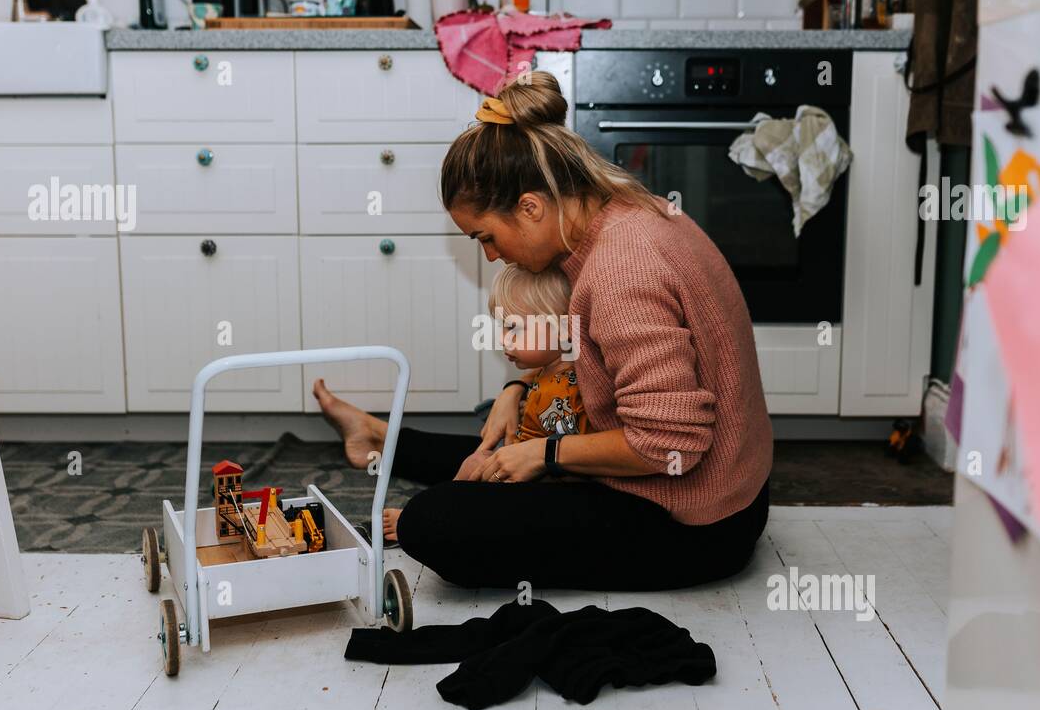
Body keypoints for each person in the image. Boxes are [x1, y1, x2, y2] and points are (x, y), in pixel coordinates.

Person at [313, 72, 773, 592]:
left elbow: (670, 442)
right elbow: (599, 362)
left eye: (486, 236)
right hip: (728, 486)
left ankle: (396, 444)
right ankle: (378, 435)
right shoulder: (624, 214)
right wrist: (516, 389)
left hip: (695, 522)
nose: (490, 254)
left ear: (530, 207)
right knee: (508, 438)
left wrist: (547, 456)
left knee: (432, 521)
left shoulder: (621, 271)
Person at [378, 262, 587, 542]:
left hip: (546, 486)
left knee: (473, 467)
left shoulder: (560, 394)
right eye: (502, 326)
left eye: (514, 328)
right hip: (530, 463)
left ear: (562, 328)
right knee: (474, 461)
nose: (503, 339)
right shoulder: (555, 370)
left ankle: (440, 508)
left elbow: (568, 467)